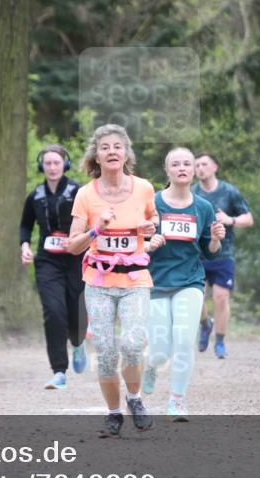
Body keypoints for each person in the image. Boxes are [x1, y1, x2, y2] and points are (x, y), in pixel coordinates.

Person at [68, 124, 158, 438]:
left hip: (135, 280)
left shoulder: (144, 187)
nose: (112, 152)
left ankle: (134, 398)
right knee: (105, 351)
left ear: (126, 153)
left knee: (132, 345)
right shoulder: (85, 195)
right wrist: (97, 230)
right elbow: (72, 244)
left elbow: (153, 219)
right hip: (98, 282)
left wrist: (150, 228)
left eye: (117, 146)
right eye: (105, 147)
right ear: (96, 155)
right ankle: (113, 413)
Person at [143, 148, 225, 420]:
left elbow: (210, 250)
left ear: (193, 170)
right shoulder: (152, 203)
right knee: (159, 350)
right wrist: (148, 243)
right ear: (167, 170)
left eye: (186, 164)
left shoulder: (203, 207)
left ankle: (177, 400)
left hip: (190, 281)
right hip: (155, 282)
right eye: (175, 164)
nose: (181, 168)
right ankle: (151, 367)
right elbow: (137, 243)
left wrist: (215, 238)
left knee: (183, 341)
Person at [19, 144, 88, 389]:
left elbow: (91, 221)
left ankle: (79, 344)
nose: (51, 167)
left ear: (64, 165)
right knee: (53, 312)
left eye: (56, 162)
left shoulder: (78, 192)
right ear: (41, 166)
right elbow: (25, 225)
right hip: (47, 260)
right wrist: (24, 246)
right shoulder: (35, 195)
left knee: (76, 311)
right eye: (47, 163)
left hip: (76, 258)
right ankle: (59, 370)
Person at [192, 153, 253, 359]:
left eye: (204, 164)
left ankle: (219, 342)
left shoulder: (229, 192)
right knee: (197, 297)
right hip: (198, 255)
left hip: (223, 255)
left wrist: (230, 220)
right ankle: (204, 324)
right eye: (196, 164)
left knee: (220, 298)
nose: (200, 168)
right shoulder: (192, 193)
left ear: (215, 167)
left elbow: (248, 218)